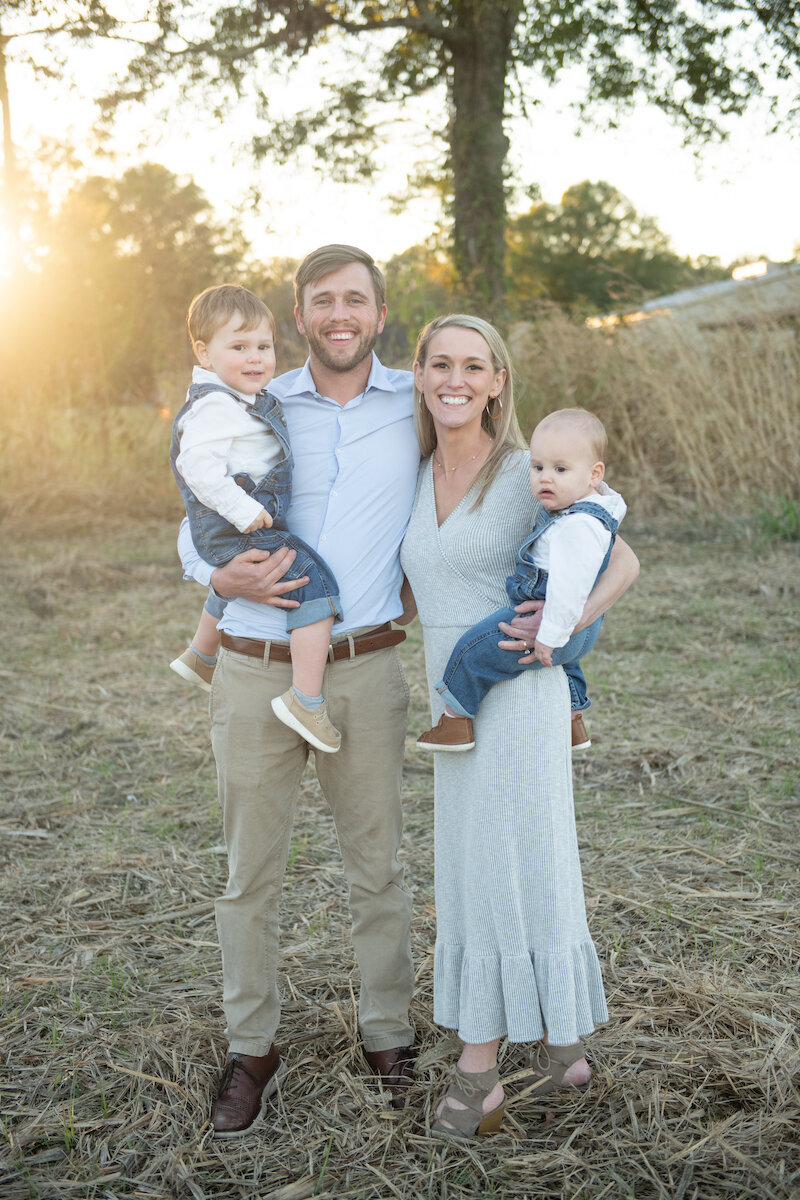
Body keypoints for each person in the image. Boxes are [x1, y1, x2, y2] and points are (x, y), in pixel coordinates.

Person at [176, 246, 421, 1135]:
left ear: (379, 313)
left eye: (355, 299)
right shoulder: (257, 399)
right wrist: (217, 575)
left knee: (378, 865)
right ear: (301, 316)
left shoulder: (416, 403)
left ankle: (388, 1034)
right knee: (249, 874)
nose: (340, 314)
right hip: (251, 667)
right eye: (323, 301)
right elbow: (191, 521)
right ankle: (252, 1046)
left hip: (365, 668)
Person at [400, 315, 638, 1141]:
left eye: (475, 365)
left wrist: (565, 633)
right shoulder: (415, 468)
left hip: (518, 690)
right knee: (481, 862)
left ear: (498, 381)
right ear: (421, 375)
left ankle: (479, 1073)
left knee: (503, 859)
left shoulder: (524, 472)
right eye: (441, 364)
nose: (456, 378)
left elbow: (622, 557)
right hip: (453, 696)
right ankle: (561, 1040)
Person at [169, 284, 344, 753]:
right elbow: (196, 468)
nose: (256, 358)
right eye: (239, 347)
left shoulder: (242, 399)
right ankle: (306, 698)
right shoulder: (214, 406)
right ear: (204, 353)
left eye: (263, 347)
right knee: (311, 579)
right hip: (234, 521)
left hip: (234, 523)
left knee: (250, 572)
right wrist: (245, 511)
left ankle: (202, 653)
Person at [415, 407, 626, 754]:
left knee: (476, 648)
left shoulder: (577, 525)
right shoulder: (598, 505)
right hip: (583, 626)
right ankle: (573, 717)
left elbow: (568, 589)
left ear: (594, 474)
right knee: (569, 663)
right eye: (538, 467)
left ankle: (454, 719)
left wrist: (550, 635)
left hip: (550, 618)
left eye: (560, 469)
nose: (546, 478)